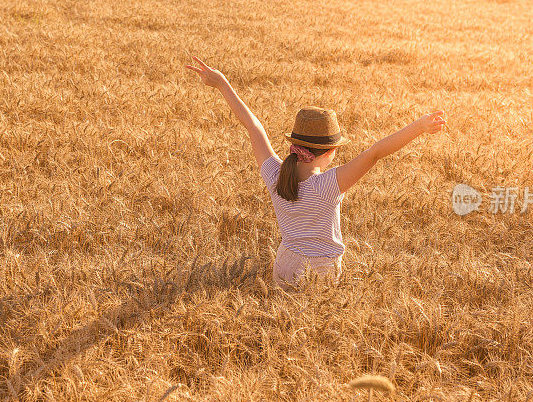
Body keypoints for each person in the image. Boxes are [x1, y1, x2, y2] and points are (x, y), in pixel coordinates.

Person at [185, 55, 446, 288]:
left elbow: (253, 127)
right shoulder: (328, 185)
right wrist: (419, 126)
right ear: (330, 152)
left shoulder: (275, 174)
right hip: (322, 271)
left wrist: (221, 83)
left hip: (284, 265)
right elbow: (374, 153)